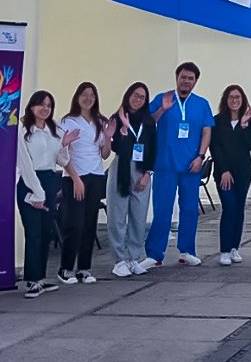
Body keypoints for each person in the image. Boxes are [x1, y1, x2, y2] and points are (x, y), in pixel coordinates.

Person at [144, 62, 214, 269]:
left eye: (190, 78)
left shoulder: (201, 104)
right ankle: (155, 254)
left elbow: (206, 132)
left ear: (195, 81)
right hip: (165, 164)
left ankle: (187, 251)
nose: (186, 81)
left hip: (191, 165)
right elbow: (148, 122)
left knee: (190, 209)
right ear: (177, 78)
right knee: (162, 210)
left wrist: (201, 156)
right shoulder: (162, 99)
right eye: (183, 77)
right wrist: (162, 110)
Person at [15, 90, 80, 298]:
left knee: (45, 232)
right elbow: (25, 165)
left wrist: (64, 144)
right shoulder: (23, 131)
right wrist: (37, 192)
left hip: (51, 181)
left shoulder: (54, 131)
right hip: (30, 183)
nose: (45, 109)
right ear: (32, 106)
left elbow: (61, 160)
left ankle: (41, 277)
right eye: (41, 104)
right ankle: (31, 280)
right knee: (33, 233)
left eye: (49, 105)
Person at [57, 82, 113, 285]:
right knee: (75, 224)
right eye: (84, 94)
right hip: (75, 177)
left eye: (92, 95)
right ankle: (66, 268)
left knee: (90, 224)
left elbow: (105, 154)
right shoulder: (67, 121)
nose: (88, 98)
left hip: (96, 175)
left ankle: (84, 268)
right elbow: (61, 154)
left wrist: (107, 137)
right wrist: (75, 178)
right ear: (77, 97)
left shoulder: (99, 121)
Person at [107, 82, 157, 278]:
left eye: (142, 97)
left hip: (141, 171)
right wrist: (123, 133)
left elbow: (154, 149)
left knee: (138, 217)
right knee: (117, 216)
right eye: (135, 95)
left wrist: (147, 173)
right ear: (128, 96)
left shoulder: (149, 122)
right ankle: (119, 260)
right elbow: (115, 148)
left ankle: (133, 258)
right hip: (121, 169)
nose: (138, 99)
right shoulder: (117, 119)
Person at [211, 84, 251, 266]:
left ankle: (234, 248)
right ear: (226, 100)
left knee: (239, 209)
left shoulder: (249, 121)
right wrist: (223, 170)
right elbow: (216, 148)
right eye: (231, 97)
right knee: (229, 208)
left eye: (238, 97)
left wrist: (244, 125)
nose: (235, 100)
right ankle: (224, 250)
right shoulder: (217, 121)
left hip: (243, 172)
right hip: (224, 173)